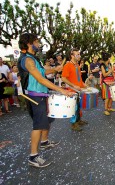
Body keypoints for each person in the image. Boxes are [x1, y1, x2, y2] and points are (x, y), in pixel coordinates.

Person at [17, 33, 74, 168]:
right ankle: (33, 156)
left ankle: (44, 142)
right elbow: (40, 79)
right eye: (36, 42)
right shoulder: (27, 60)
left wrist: (55, 69)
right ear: (29, 43)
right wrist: (61, 90)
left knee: (47, 120)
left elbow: (43, 72)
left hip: (42, 94)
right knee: (38, 124)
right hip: (34, 96)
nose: (39, 44)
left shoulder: (34, 58)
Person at [61, 48, 88, 131]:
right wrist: (74, 86)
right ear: (71, 56)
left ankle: (78, 120)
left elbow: (78, 77)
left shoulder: (77, 65)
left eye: (79, 54)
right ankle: (73, 124)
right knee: (74, 107)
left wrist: (83, 84)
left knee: (78, 106)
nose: (79, 56)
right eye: (77, 54)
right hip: (72, 90)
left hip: (78, 89)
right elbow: (63, 78)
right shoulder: (67, 65)